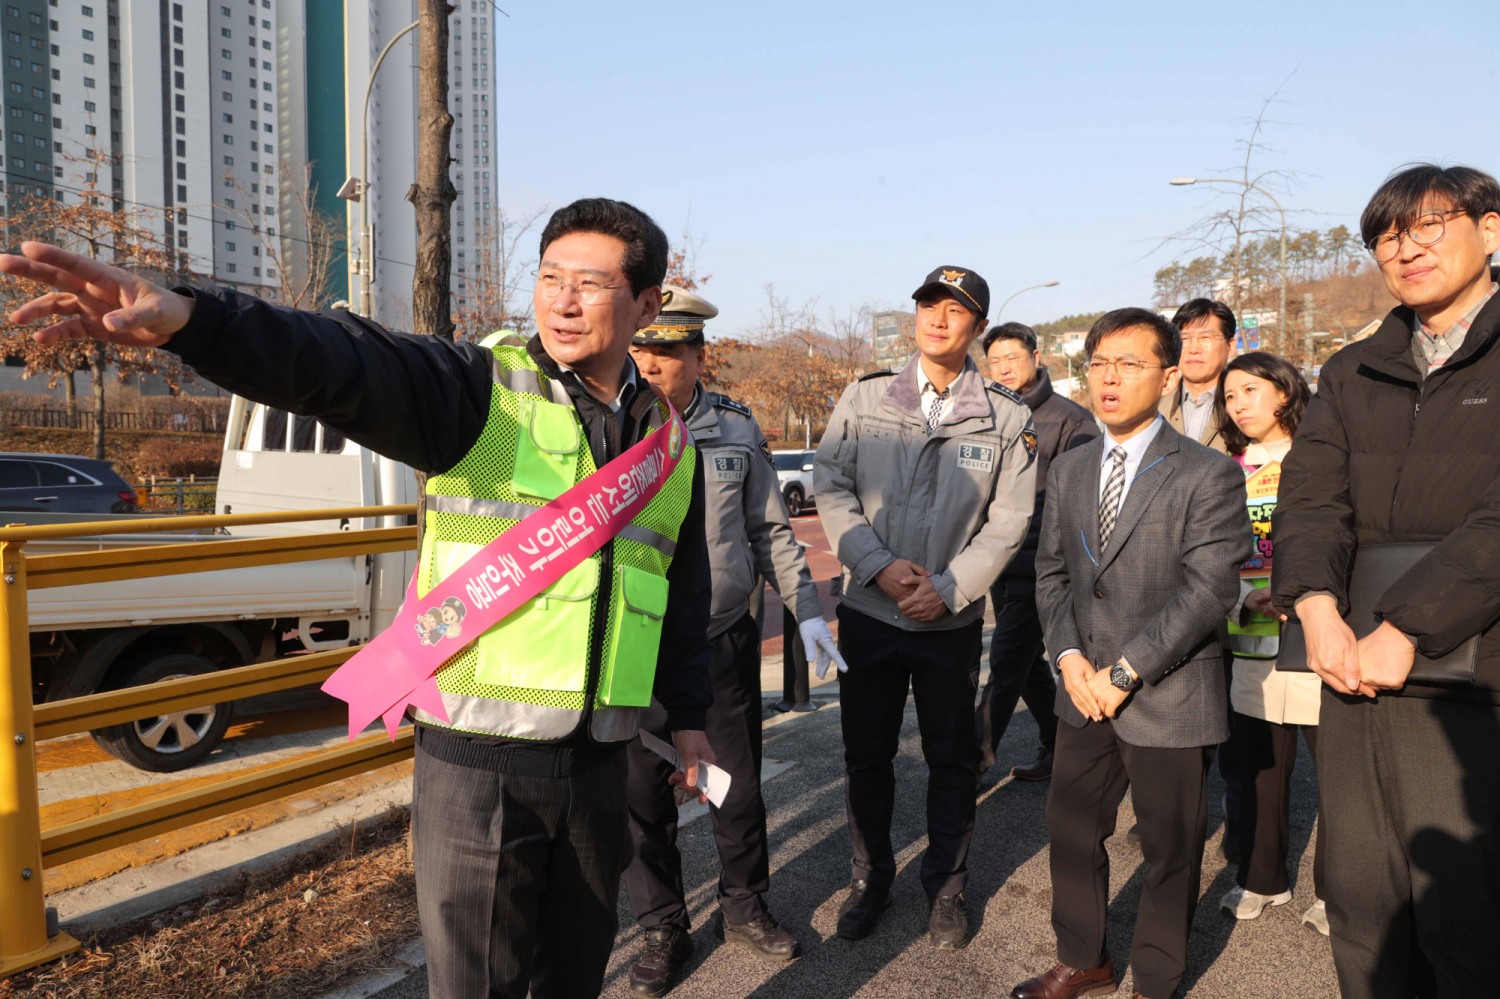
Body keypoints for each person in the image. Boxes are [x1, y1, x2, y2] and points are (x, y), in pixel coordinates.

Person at [0, 198, 717, 999]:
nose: (563, 301)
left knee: (574, 979)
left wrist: (688, 718)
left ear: (647, 306)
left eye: (591, 283)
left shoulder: (671, 447)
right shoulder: (484, 395)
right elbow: (338, 361)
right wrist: (192, 320)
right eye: (550, 278)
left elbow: (681, 595)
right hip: (479, 768)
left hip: (597, 767)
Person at [1273, 163, 1500, 999]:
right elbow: (1310, 498)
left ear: (1493, 230)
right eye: (1386, 236)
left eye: (1429, 225)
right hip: (1356, 670)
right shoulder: (1353, 369)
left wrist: (1408, 624)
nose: (1404, 248)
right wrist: (1318, 608)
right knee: (1363, 902)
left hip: (1475, 681)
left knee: (1469, 917)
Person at [1014, 308, 1247, 999]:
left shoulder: (1206, 472)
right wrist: (1068, 659)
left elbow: (1210, 589)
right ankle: (1083, 957)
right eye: (1098, 363)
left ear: (1169, 373)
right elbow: (1050, 573)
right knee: (1071, 829)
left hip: (1168, 692)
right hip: (1082, 691)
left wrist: (1126, 670)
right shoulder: (1073, 465)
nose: (1108, 378)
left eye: (1129, 363)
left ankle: (1156, 978)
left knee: (1171, 850)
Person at [621, 287, 844, 996]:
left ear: (698, 356)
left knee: (736, 789)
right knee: (638, 800)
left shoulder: (736, 431)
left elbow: (771, 531)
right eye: (642, 350)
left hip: (718, 641)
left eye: (668, 351)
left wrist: (807, 609)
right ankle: (661, 924)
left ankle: (744, 906)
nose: (652, 364)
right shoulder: (607, 427)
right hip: (630, 650)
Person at [815, 265, 1036, 951]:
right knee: (867, 757)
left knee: (950, 757)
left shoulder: (1007, 415)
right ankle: (870, 877)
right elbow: (831, 482)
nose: (938, 319)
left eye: (955, 310)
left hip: (951, 621)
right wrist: (876, 564)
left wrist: (948, 586)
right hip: (871, 616)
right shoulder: (864, 396)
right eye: (928, 306)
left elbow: (1009, 521)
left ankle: (946, 886)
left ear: (976, 326)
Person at [1210, 352, 1327, 934]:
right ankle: (1261, 878)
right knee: (1258, 768)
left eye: (1250, 391)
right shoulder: (1223, 470)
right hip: (1249, 635)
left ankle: (1338, 891)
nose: (1238, 404)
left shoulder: (1323, 459)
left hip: (1316, 635)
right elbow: (1209, 556)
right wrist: (1239, 597)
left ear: (1284, 392)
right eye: (1230, 396)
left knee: (1336, 775)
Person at [975, 322, 1096, 786]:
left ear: (1036, 356)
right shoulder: (984, 414)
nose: (1004, 367)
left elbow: (1080, 500)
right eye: (996, 360)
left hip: (1043, 566)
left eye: (1013, 357)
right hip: (996, 564)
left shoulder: (1070, 420)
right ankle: (1057, 744)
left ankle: (972, 762)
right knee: (1025, 667)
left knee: (1005, 663)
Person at [1161, 297, 1236, 453]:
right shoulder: (1154, 409)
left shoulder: (1245, 408)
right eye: (1184, 339)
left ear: (1230, 346)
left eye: (1205, 337)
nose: (1194, 349)